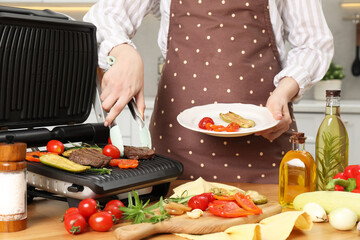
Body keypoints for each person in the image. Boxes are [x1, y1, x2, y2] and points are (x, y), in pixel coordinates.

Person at [84, 0, 334, 183]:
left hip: (265, 146)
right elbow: (104, 15)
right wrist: (122, 50)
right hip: (178, 153)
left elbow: (314, 43)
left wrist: (285, 91)